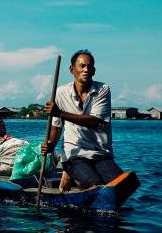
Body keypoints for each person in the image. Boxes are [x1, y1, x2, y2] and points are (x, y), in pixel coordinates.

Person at [41, 50, 123, 192]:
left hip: (100, 153)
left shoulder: (102, 90)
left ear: (94, 71)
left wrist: (60, 113)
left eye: (89, 67)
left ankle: (71, 176)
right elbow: (56, 126)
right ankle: (69, 172)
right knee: (94, 184)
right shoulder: (60, 93)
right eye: (82, 66)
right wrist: (50, 145)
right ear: (72, 69)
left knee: (119, 184)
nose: (86, 70)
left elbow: (94, 121)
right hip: (74, 154)